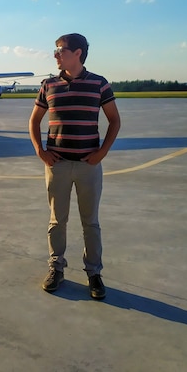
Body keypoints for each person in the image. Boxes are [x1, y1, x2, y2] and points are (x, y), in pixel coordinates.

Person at [29, 33, 121, 299]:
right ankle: (56, 268)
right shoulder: (48, 85)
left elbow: (114, 120)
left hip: (87, 166)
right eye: (55, 51)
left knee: (90, 222)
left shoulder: (99, 84)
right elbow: (34, 121)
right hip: (57, 165)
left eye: (60, 50)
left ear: (77, 53)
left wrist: (101, 152)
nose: (55, 55)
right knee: (57, 221)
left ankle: (94, 273)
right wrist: (40, 152)